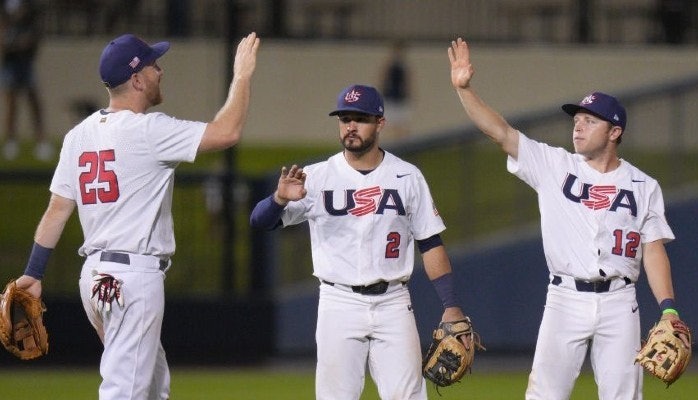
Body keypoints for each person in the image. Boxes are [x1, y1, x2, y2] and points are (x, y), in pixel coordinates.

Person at [13, 32, 260, 399]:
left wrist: (34, 271)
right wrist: (241, 76)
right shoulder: (148, 131)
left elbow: (58, 209)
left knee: (154, 389)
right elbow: (227, 132)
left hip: (94, 278)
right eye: (154, 65)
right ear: (138, 79)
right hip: (131, 279)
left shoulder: (77, 136)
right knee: (124, 392)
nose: (161, 71)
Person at [448, 38, 689, 399]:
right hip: (565, 297)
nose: (578, 127)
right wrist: (464, 89)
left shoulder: (643, 185)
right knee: (544, 394)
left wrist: (668, 308)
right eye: (576, 119)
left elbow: (652, 251)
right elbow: (500, 132)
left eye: (590, 121)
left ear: (615, 132)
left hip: (620, 302)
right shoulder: (555, 165)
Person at [250, 84, 474, 399]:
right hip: (338, 301)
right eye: (344, 119)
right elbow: (259, 221)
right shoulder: (316, 177)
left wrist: (451, 305)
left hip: (393, 302)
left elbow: (431, 243)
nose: (351, 126)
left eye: (360, 118)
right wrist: (278, 199)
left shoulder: (407, 177)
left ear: (380, 122)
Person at [0, 0, 50, 161]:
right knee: (11, 102)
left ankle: (41, 140)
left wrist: (28, 42)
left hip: (25, 60)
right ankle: (11, 141)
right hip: (10, 61)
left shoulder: (29, 5)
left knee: (33, 100)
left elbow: (35, 30)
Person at [380, 40, 411, 139]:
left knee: (402, 125)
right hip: (390, 97)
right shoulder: (389, 65)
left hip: (400, 98)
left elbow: (408, 81)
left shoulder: (404, 66)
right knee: (389, 125)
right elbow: (383, 78)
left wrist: (408, 94)